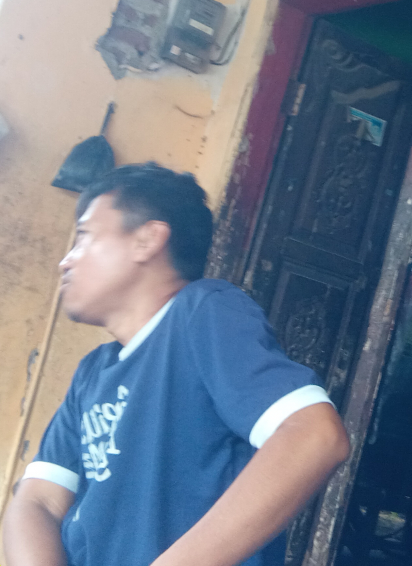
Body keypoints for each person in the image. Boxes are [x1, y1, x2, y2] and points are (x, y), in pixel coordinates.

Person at [3, 163, 350, 566]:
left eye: (84, 237)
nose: (65, 261)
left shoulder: (202, 313)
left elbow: (313, 436)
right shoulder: (91, 373)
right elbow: (38, 501)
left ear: (147, 240)